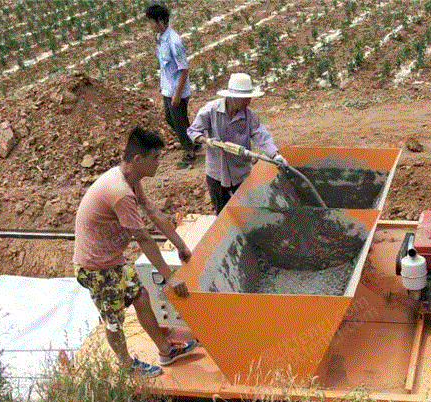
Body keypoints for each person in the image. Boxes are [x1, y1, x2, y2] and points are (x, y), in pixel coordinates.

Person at [73, 127, 197, 377]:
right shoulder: (120, 193)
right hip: (96, 267)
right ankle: (127, 366)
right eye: (156, 158)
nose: (159, 163)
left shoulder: (131, 179)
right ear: (138, 160)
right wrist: (169, 277)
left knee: (140, 298)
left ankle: (165, 350)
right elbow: (142, 237)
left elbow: (153, 212)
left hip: (113, 261)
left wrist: (181, 244)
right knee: (114, 320)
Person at [187, 72, 287, 214]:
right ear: (232, 97)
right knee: (223, 212)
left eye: (249, 98)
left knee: (248, 211)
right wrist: (207, 141)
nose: (248, 102)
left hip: (240, 172)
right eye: (244, 98)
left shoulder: (249, 116)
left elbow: (261, 135)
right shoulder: (211, 110)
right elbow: (192, 131)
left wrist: (275, 155)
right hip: (217, 172)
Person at [145, 3, 195, 169]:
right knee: (171, 118)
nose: (150, 25)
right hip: (168, 88)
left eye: (151, 22)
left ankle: (189, 152)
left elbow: (184, 69)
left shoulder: (174, 42)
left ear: (160, 21)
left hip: (176, 90)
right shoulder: (161, 38)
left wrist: (177, 94)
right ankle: (193, 140)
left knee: (178, 121)